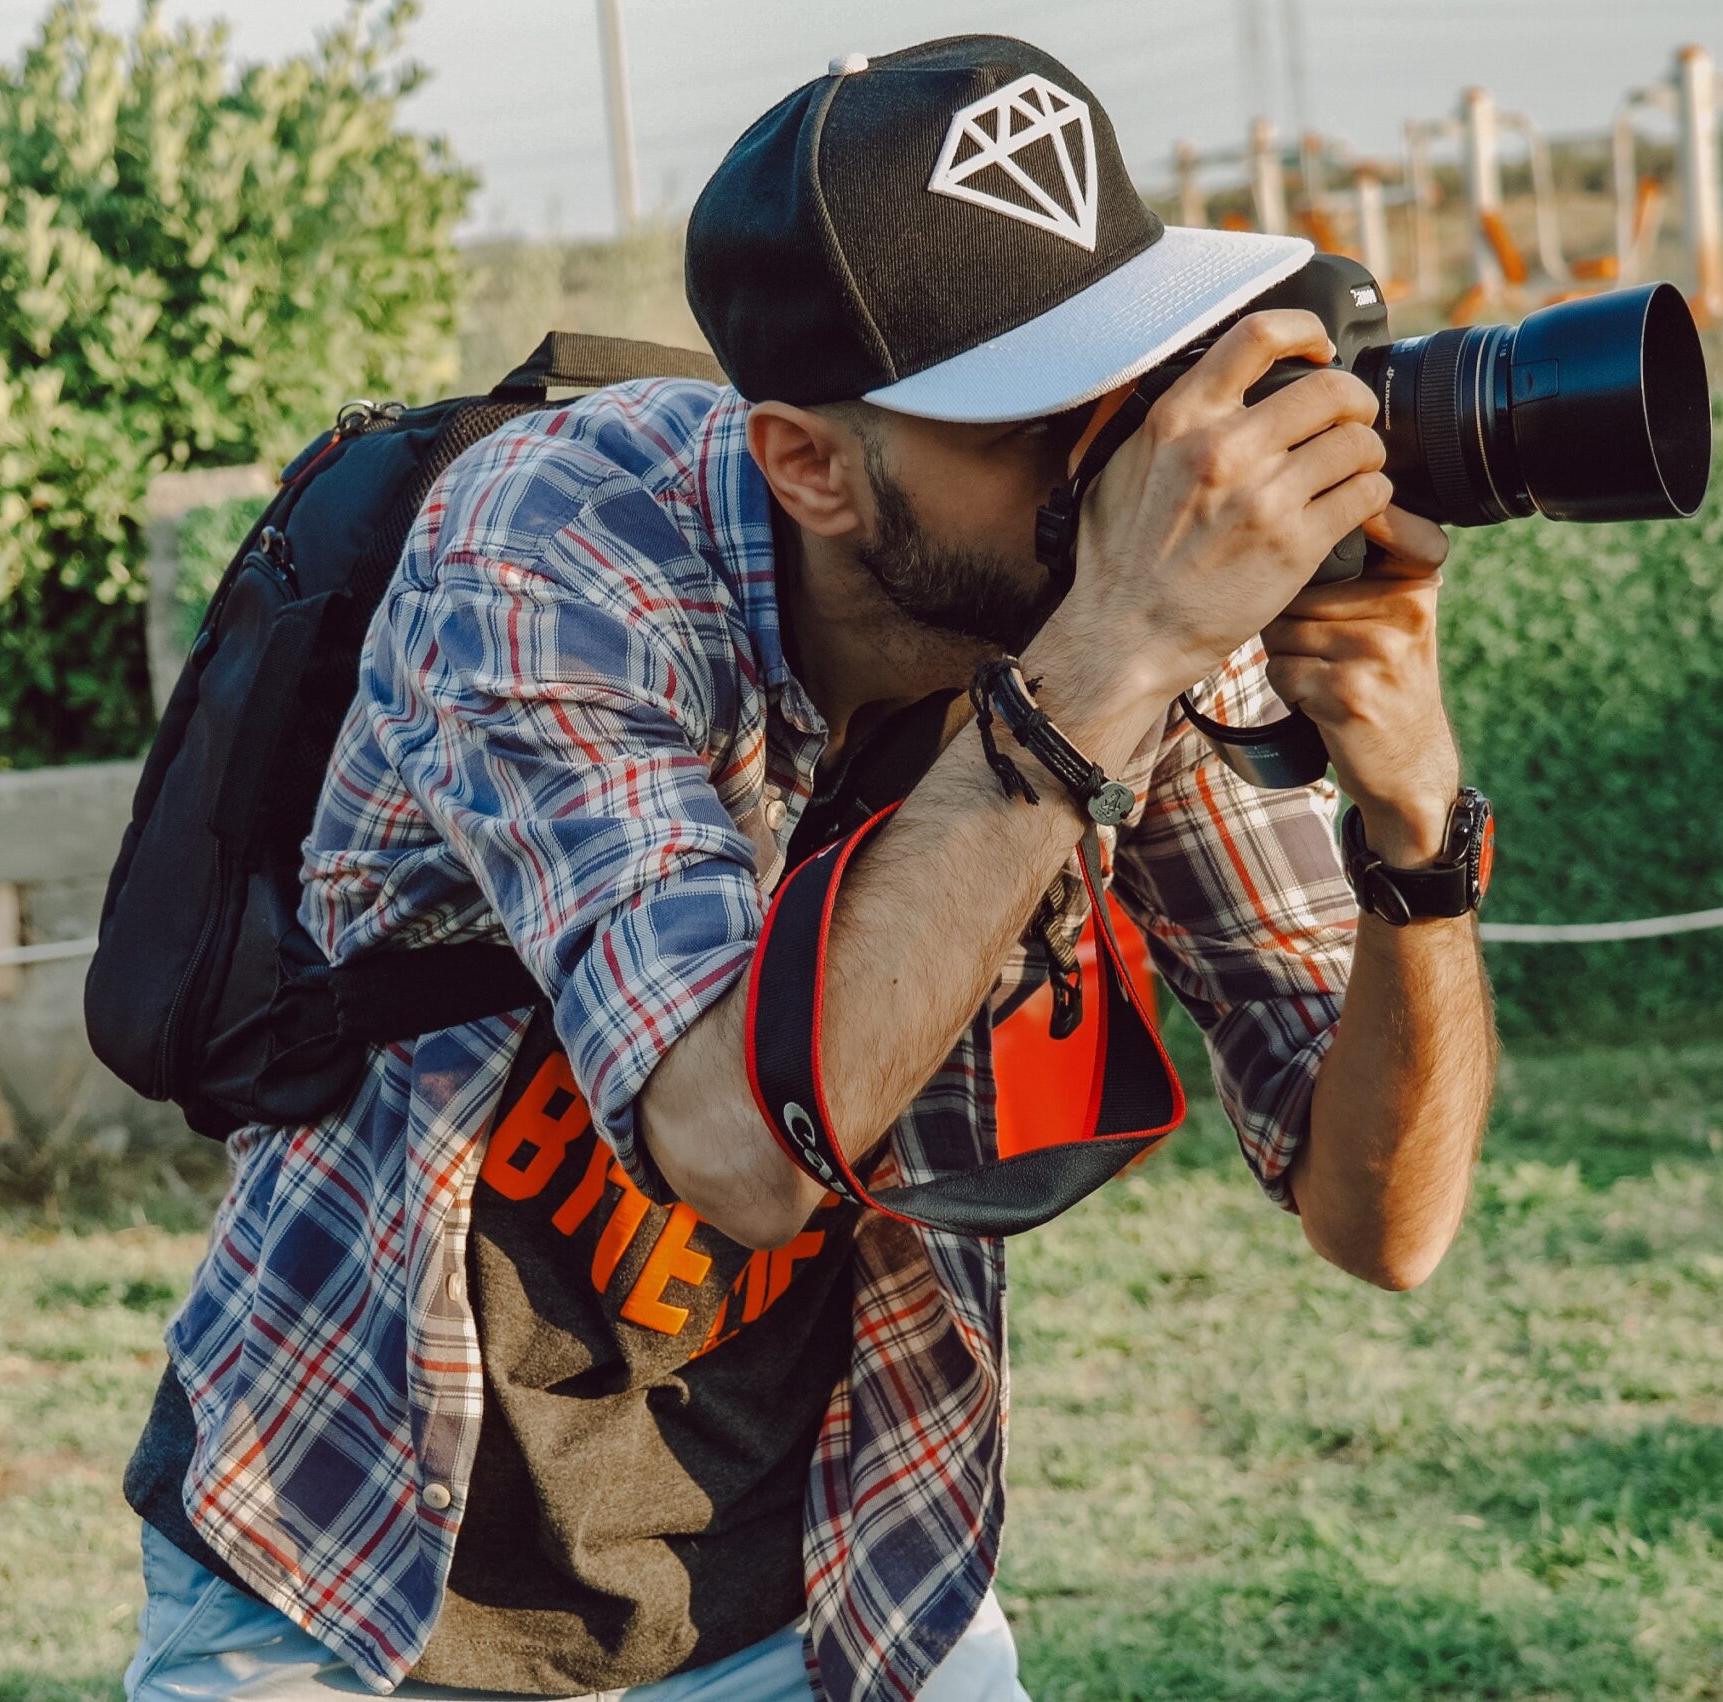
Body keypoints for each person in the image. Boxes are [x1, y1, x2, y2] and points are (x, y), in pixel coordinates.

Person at [119, 33, 1496, 1702]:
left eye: (1137, 377)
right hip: (350, 1563)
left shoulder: (1124, 613)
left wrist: (1417, 829)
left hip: (838, 1575)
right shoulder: (553, 548)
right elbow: (740, 1149)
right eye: (1037, 417)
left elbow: (1383, 1220)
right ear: (811, 464)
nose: (1128, 461)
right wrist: (1114, 650)